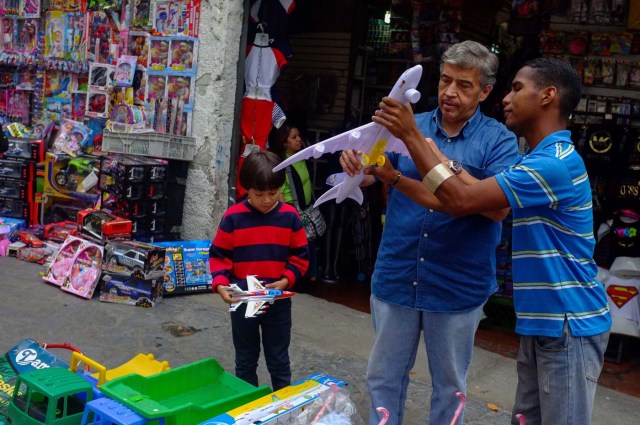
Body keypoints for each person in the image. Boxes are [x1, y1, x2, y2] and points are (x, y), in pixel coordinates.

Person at [372, 57, 611, 425]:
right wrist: (409, 160)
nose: (506, 98)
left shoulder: (551, 165)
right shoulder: (538, 159)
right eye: (445, 81)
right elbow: (465, 185)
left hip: (568, 322)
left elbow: (461, 200)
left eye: (517, 88)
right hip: (544, 322)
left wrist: (411, 138)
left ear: (548, 96)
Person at [340, 40, 519, 425]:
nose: (450, 92)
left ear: (486, 91)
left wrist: (422, 149)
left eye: (464, 85)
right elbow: (374, 170)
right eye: (445, 80)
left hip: (457, 284)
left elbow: (498, 208)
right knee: (384, 376)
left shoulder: (499, 141)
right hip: (398, 272)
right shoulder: (411, 124)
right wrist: (357, 165)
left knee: (449, 387)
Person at [209, 150, 309, 391]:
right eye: (259, 194)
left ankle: (283, 408)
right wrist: (222, 286)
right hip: (243, 300)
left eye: (272, 193)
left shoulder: (290, 216)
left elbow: (301, 256)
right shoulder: (233, 217)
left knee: (279, 359)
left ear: (280, 188)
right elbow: (219, 255)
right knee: (245, 360)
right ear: (246, 189)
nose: (266, 200)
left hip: (278, 301)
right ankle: (248, 408)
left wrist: (286, 280)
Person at [275, 125, 320, 282]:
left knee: (307, 240)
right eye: (294, 137)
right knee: (301, 242)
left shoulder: (301, 158)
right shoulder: (282, 164)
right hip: (291, 209)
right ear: (285, 143)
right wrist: (286, 213)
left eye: (299, 135)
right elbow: (279, 190)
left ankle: (306, 275)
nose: (299, 139)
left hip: (305, 208)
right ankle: (301, 276)